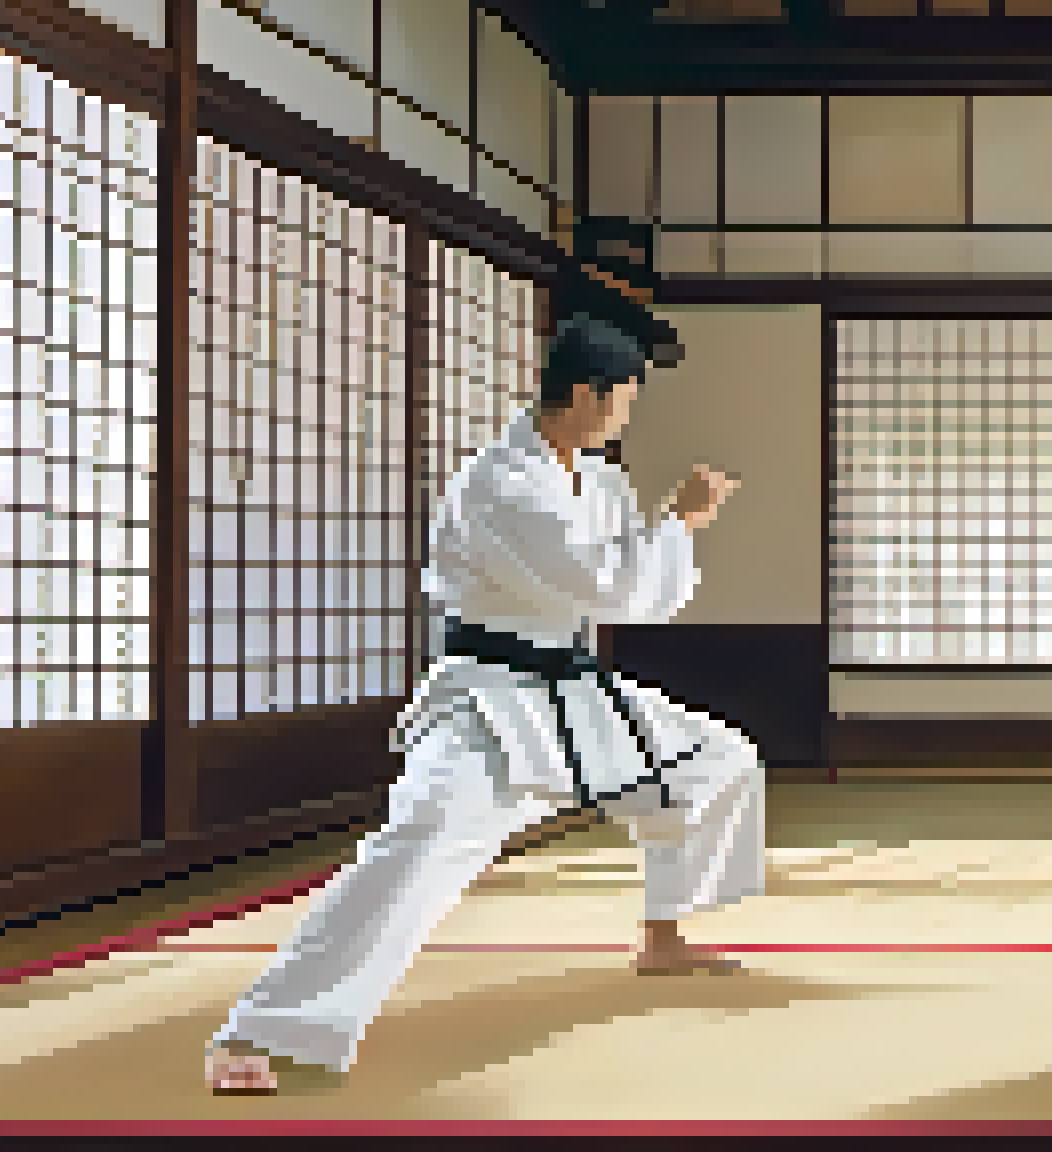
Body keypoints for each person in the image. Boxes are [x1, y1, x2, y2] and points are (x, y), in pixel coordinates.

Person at [203, 316, 760, 1095]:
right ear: (587, 394)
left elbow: (627, 579)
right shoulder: (502, 483)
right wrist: (682, 522)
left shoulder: (598, 479)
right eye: (627, 396)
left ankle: (663, 934)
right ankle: (263, 1027)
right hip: (491, 699)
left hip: (571, 693)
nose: (629, 413)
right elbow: (614, 588)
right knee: (420, 843)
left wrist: (665, 528)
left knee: (717, 761)